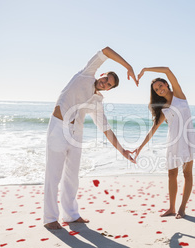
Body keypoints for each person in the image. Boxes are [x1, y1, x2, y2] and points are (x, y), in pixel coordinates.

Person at [44, 47, 138, 230]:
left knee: (71, 177)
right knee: (53, 175)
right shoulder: (86, 74)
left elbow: (106, 129)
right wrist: (128, 66)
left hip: (76, 134)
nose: (104, 83)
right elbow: (106, 50)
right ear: (101, 75)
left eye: (108, 85)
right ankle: (49, 218)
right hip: (58, 128)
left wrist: (122, 151)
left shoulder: (97, 102)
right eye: (105, 79)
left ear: (110, 89)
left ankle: (71, 215)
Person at [133, 67, 195, 219]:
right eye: (156, 90)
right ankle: (171, 208)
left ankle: (182, 209)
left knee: (187, 173)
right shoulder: (163, 108)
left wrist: (145, 70)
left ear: (167, 84)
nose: (159, 90)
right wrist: (140, 147)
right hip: (173, 142)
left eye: (160, 86)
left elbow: (167, 70)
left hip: (187, 139)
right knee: (172, 174)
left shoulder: (179, 96)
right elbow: (153, 129)